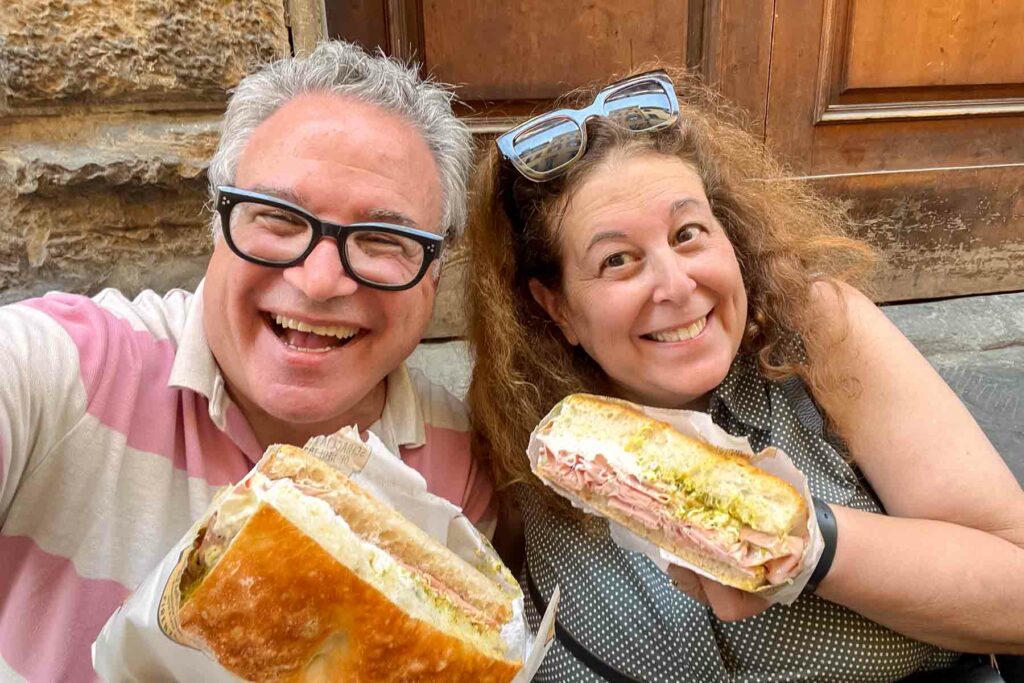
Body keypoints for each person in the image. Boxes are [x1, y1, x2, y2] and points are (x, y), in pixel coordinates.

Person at [465, 66, 1024, 682]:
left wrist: (808, 546)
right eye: (618, 259)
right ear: (559, 308)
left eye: (688, 234)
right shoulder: (522, 407)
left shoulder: (818, 335)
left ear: (729, 238)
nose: (677, 285)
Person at [0, 41, 496, 682]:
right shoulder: (65, 372)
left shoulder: (457, 465)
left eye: (383, 240)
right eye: (279, 219)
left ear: (434, 272)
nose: (320, 281)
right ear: (217, 224)